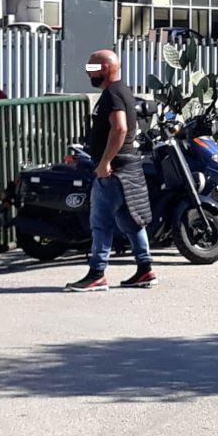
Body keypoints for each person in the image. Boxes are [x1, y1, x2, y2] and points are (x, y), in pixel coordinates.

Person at [66, 50, 157, 292]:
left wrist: (105, 162)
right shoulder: (123, 91)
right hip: (126, 168)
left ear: (105, 69)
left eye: (92, 68)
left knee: (101, 223)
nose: (88, 73)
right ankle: (145, 269)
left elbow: (119, 129)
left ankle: (97, 274)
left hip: (113, 171)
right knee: (131, 222)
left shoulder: (113, 94)